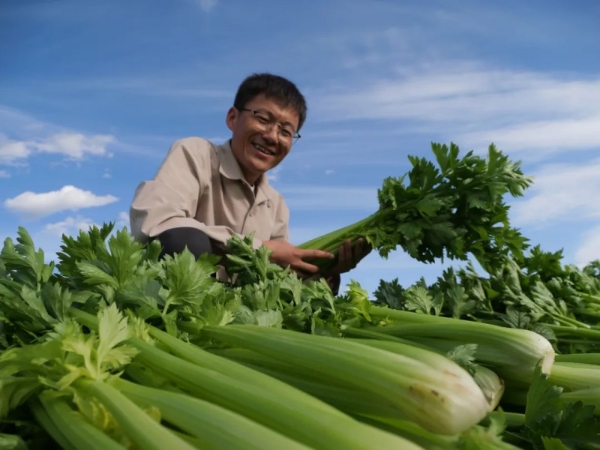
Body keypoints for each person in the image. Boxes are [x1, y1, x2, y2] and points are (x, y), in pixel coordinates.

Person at [129, 73, 370, 292]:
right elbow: (158, 223)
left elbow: (279, 277)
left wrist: (326, 269)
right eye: (263, 119)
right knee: (183, 240)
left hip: (236, 312)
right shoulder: (196, 154)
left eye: (286, 131)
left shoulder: (276, 204)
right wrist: (262, 250)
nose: (272, 136)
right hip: (176, 295)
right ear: (233, 118)